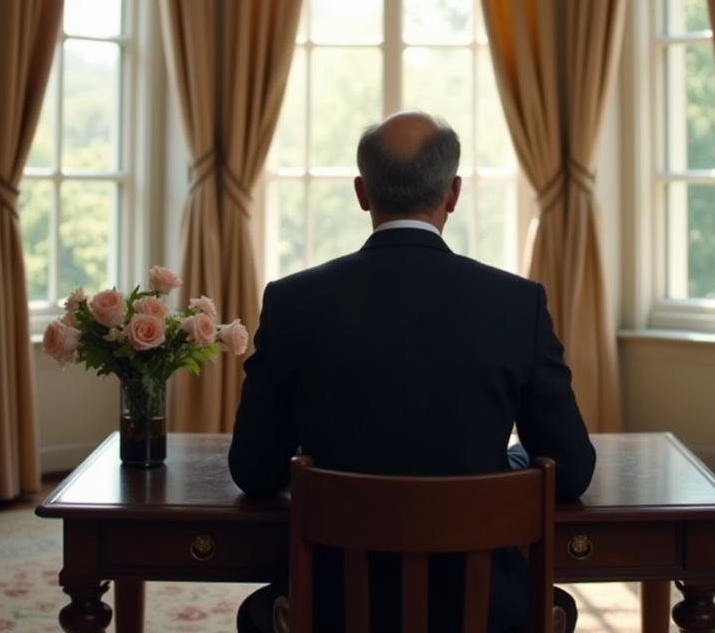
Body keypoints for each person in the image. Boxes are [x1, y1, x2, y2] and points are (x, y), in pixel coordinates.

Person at [229, 111, 595, 633]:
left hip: (331, 610)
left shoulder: (293, 303)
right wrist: (506, 463)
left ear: (362, 192)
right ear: (453, 193)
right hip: (486, 611)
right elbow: (572, 471)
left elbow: (253, 470)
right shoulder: (517, 304)